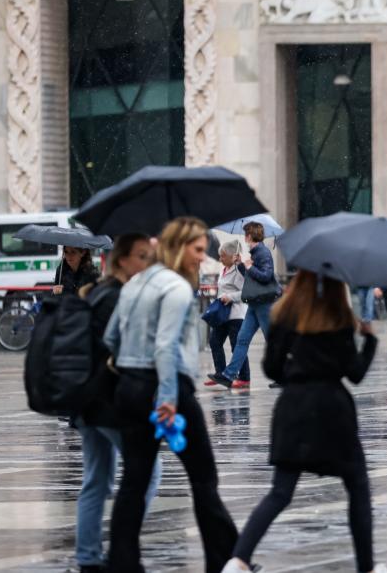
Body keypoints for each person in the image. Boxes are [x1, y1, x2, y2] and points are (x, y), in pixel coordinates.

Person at [221, 270, 387, 573]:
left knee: (280, 493)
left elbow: (271, 368)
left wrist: (297, 374)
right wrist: (371, 340)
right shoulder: (338, 318)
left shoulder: (285, 316)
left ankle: (238, 560)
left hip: (293, 407)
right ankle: (367, 567)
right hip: (333, 410)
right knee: (358, 488)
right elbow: (356, 374)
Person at [105, 217, 237, 572]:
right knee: (204, 478)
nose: (202, 258)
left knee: (134, 479)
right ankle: (225, 559)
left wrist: (130, 370)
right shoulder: (177, 289)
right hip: (168, 387)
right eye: (197, 250)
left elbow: (111, 339)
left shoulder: (134, 283)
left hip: (129, 386)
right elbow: (165, 346)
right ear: (179, 248)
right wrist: (166, 398)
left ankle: (122, 563)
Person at [73, 233, 162, 573]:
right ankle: (121, 549)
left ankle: (88, 558)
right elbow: (125, 352)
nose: (146, 263)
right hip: (110, 401)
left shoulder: (96, 293)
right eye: (141, 256)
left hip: (86, 401)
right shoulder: (118, 298)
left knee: (96, 480)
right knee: (148, 471)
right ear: (122, 260)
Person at [212, 222, 279, 388]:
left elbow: (266, 276)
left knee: (272, 339)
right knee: (242, 340)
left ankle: (284, 375)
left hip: (263, 303)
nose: (244, 238)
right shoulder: (256, 253)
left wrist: (249, 266)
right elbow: (252, 279)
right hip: (255, 303)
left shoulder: (262, 252)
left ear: (249, 236)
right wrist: (242, 264)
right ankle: (229, 375)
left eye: (245, 235)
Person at [205, 240, 249, 388]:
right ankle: (221, 373)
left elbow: (246, 292)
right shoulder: (223, 270)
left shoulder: (238, 271)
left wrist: (230, 297)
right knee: (214, 341)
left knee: (236, 345)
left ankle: (244, 377)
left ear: (232, 256)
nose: (220, 259)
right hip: (222, 314)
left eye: (223, 256)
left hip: (236, 315)